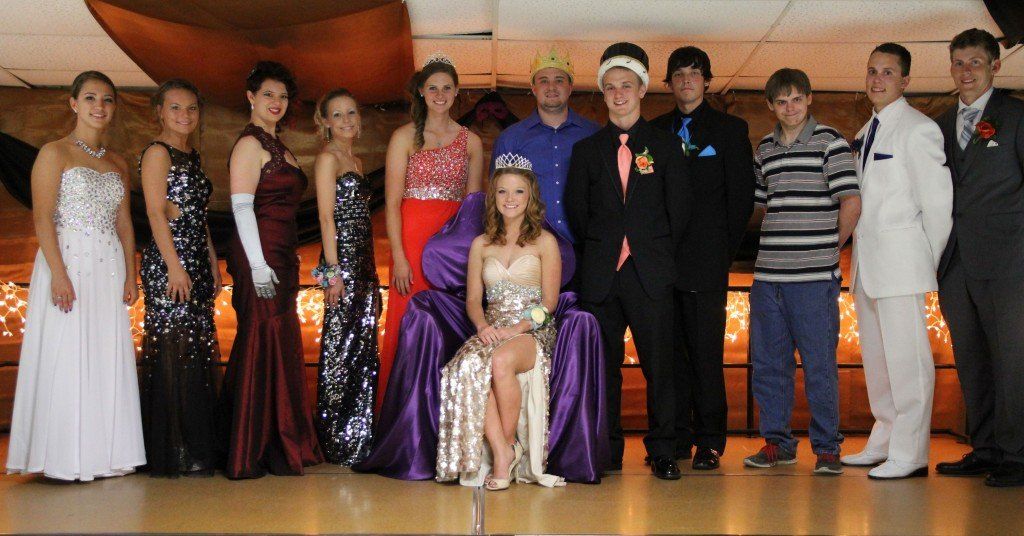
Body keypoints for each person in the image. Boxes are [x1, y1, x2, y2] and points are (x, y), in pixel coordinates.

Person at [6, 71, 145, 481]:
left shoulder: (117, 162)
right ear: (73, 104)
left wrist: (131, 275)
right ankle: (61, 457)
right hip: (66, 259)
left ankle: (104, 454)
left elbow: (124, 224)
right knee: (67, 351)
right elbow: (43, 217)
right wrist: (58, 274)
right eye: (90, 98)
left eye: (106, 99)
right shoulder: (54, 153)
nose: (99, 107)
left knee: (104, 352)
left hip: (108, 265)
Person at [565, 42, 692, 480]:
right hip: (602, 274)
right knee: (604, 369)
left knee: (661, 367)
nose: (619, 94)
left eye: (627, 86)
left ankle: (662, 450)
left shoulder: (666, 145)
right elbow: (579, 213)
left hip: (650, 272)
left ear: (641, 90)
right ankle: (607, 448)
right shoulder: (586, 151)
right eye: (611, 87)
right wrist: (607, 247)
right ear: (603, 94)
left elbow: (680, 211)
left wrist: (650, 250)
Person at [841, 43, 953, 480]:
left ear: (905, 81)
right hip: (868, 265)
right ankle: (884, 438)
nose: (877, 79)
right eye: (872, 70)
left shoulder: (917, 129)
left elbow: (938, 206)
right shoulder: (868, 129)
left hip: (902, 264)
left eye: (887, 72)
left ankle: (912, 452)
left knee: (909, 363)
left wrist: (926, 262)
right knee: (878, 362)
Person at [742, 68, 860, 475]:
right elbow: (761, 209)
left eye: (796, 99)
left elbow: (851, 202)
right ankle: (778, 443)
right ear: (770, 106)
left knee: (819, 364)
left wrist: (831, 248)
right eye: (781, 101)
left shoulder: (831, 142)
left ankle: (827, 448)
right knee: (770, 365)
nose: (789, 107)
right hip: (768, 276)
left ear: (809, 99)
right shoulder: (766, 149)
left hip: (813, 278)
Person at [650, 46, 755, 470]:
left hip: (707, 262)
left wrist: (721, 254)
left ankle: (710, 442)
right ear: (669, 83)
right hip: (660, 265)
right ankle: (675, 437)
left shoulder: (730, 129)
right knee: (667, 354)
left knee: (705, 355)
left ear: (707, 81)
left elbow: (741, 200)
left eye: (695, 73)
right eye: (679, 74)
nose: (687, 80)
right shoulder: (654, 131)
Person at [436, 155, 565, 490]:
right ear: (493, 197)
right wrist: (483, 327)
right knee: (462, 368)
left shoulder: (544, 243)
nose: (510, 198)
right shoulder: (481, 244)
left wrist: (517, 329)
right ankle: (504, 451)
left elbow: (549, 305)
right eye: (503, 192)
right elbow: (472, 302)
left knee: (501, 360)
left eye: (518, 192)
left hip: (531, 330)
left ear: (530, 198)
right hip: (492, 327)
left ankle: (506, 449)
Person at [220, 61, 323, 478]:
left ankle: (278, 437)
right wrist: (259, 265)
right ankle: (251, 446)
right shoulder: (249, 143)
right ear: (250, 97)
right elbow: (242, 206)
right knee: (261, 338)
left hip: (282, 254)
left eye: (282, 96)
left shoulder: (280, 145)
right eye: (267, 94)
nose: (275, 102)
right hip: (257, 255)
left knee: (277, 341)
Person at [935, 28, 1024, 487]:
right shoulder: (941, 121)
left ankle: (1017, 454)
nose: (965, 71)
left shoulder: (1016, 117)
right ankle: (985, 447)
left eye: (975, 62)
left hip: (1010, 262)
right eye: (958, 62)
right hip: (955, 262)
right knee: (971, 358)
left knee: (1013, 360)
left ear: (995, 66)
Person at [379, 53, 484, 407]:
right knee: (411, 321)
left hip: (451, 247)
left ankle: (446, 421)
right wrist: (399, 257)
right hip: (410, 240)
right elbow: (392, 202)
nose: (440, 94)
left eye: (447, 88)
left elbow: (473, 209)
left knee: (449, 324)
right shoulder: (404, 136)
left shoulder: (471, 141)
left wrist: (471, 262)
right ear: (422, 92)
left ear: (456, 93)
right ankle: (403, 418)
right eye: (433, 88)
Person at [138, 78, 221, 477]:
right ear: (160, 112)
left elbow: (196, 215)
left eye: (191, 108)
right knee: (173, 351)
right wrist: (174, 265)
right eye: (175, 108)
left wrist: (211, 258)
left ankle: (194, 445)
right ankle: (172, 449)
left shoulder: (193, 155)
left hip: (195, 264)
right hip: (170, 266)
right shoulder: (158, 153)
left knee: (195, 353)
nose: (184, 115)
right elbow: (156, 213)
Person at [311, 88, 380, 466]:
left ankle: (358, 435)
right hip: (342, 266)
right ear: (324, 121)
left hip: (365, 263)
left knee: (361, 348)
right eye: (337, 115)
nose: (346, 121)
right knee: (340, 346)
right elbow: (325, 218)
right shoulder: (328, 158)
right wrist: (333, 275)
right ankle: (335, 439)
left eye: (351, 113)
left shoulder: (355, 158)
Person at [490, 48, 598, 242]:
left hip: (586, 245)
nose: (551, 86)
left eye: (559, 80)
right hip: (528, 245)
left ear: (570, 87)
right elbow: (495, 198)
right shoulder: (510, 138)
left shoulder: (594, 134)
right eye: (543, 80)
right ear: (533, 88)